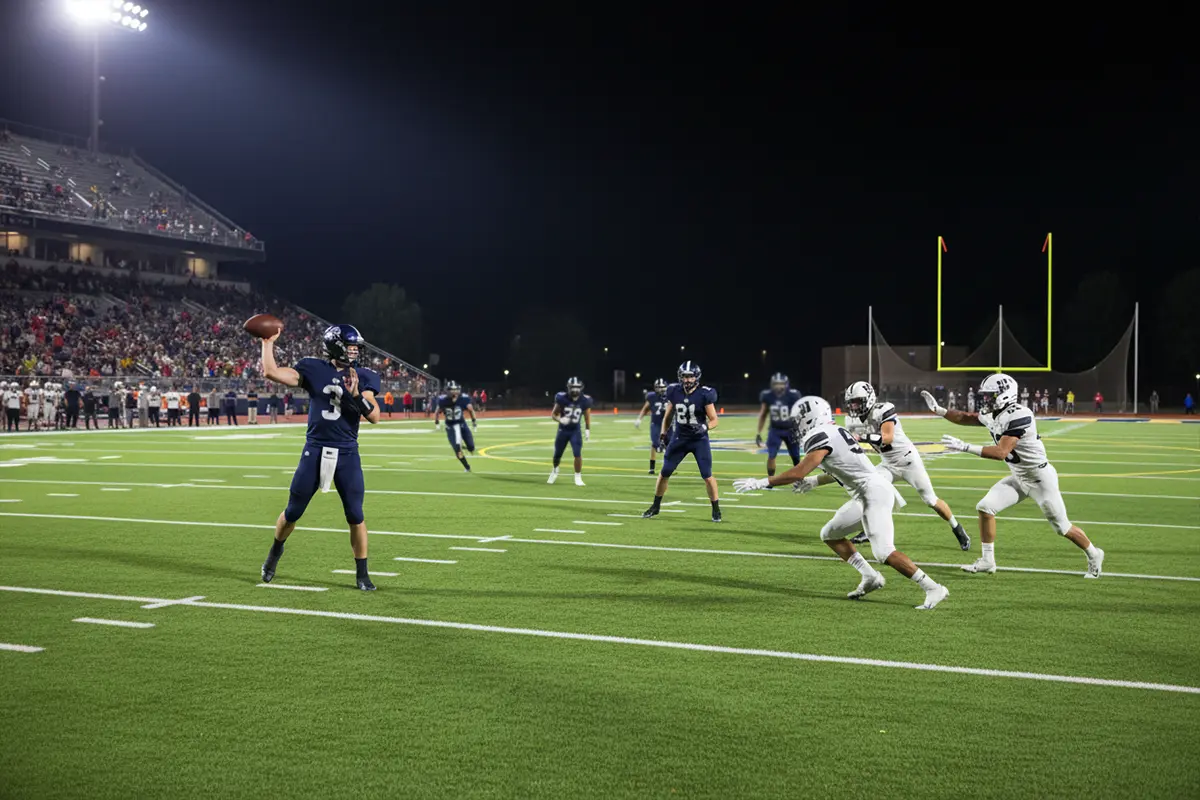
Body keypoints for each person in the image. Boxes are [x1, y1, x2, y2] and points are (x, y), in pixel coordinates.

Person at [734, 396, 950, 610]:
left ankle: (933, 588)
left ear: (810, 418)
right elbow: (842, 469)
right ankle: (870, 576)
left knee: (883, 552)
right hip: (868, 492)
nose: (797, 425)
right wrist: (814, 481)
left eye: (799, 419)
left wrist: (763, 482)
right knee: (830, 534)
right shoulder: (835, 431)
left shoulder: (820, 435)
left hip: (873, 493)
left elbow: (798, 472)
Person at [922, 374, 1105, 578]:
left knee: (1062, 528)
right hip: (1019, 476)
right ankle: (987, 561)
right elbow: (968, 417)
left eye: (990, 395)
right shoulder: (993, 412)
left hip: (1039, 479)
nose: (986, 399)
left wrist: (965, 447)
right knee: (985, 507)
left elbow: (1001, 452)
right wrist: (940, 411)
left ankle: (1094, 554)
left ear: (1004, 394)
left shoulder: (1019, 414)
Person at [259, 323, 382, 591]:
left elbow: (374, 415)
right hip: (315, 449)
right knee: (293, 511)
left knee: (355, 514)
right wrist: (267, 344)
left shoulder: (364, 375)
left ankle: (362, 574)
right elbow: (272, 372)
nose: (354, 351)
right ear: (336, 346)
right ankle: (275, 551)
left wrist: (356, 396)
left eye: (355, 347)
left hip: (347, 451)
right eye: (350, 346)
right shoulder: (313, 368)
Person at [843, 381, 970, 549]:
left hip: (908, 461)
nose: (853, 406)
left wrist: (862, 438)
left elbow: (887, 438)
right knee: (869, 491)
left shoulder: (883, 409)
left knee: (931, 500)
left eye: (857, 402)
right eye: (851, 402)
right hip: (888, 464)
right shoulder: (852, 421)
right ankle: (869, 529)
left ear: (869, 399)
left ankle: (957, 528)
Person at [643, 361, 721, 522]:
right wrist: (663, 433)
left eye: (690, 376)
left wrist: (704, 427)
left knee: (707, 475)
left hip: (699, 439)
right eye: (685, 376)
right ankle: (655, 506)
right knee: (664, 472)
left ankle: (716, 509)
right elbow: (668, 415)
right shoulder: (674, 391)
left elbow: (714, 419)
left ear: (696, 377)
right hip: (680, 438)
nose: (687, 380)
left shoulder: (704, 394)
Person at [753, 372, 803, 486]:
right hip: (775, 430)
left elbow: (800, 413)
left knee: (796, 457)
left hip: (791, 430)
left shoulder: (794, 395)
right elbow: (763, 414)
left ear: (786, 384)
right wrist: (758, 433)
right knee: (771, 455)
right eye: (776, 384)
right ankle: (770, 480)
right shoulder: (768, 396)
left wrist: (801, 429)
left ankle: (800, 479)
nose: (778, 386)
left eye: (780, 384)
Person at [548, 376, 592, 486]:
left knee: (577, 453)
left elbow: (587, 416)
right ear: (568, 387)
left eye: (577, 387)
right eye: (573, 387)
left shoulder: (585, 400)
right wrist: (560, 419)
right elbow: (554, 414)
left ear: (581, 388)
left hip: (575, 431)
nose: (575, 390)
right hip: (563, 430)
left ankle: (578, 477)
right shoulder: (562, 398)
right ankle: (555, 470)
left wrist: (587, 429)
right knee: (557, 454)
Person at [434, 381, 477, 471]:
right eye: (452, 390)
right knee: (457, 449)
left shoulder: (463, 398)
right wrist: (436, 422)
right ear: (448, 391)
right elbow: (437, 412)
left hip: (462, 425)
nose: (454, 392)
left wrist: (474, 421)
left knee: (471, 447)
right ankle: (467, 466)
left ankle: (466, 447)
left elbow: (471, 409)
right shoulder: (443, 400)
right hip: (451, 427)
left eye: (455, 389)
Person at [634, 378, 669, 475]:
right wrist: (639, 419)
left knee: (668, 445)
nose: (661, 389)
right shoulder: (652, 396)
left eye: (662, 387)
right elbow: (645, 408)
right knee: (654, 444)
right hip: (656, 423)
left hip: (668, 424)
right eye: (659, 387)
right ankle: (652, 468)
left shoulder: (670, 396)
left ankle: (667, 467)